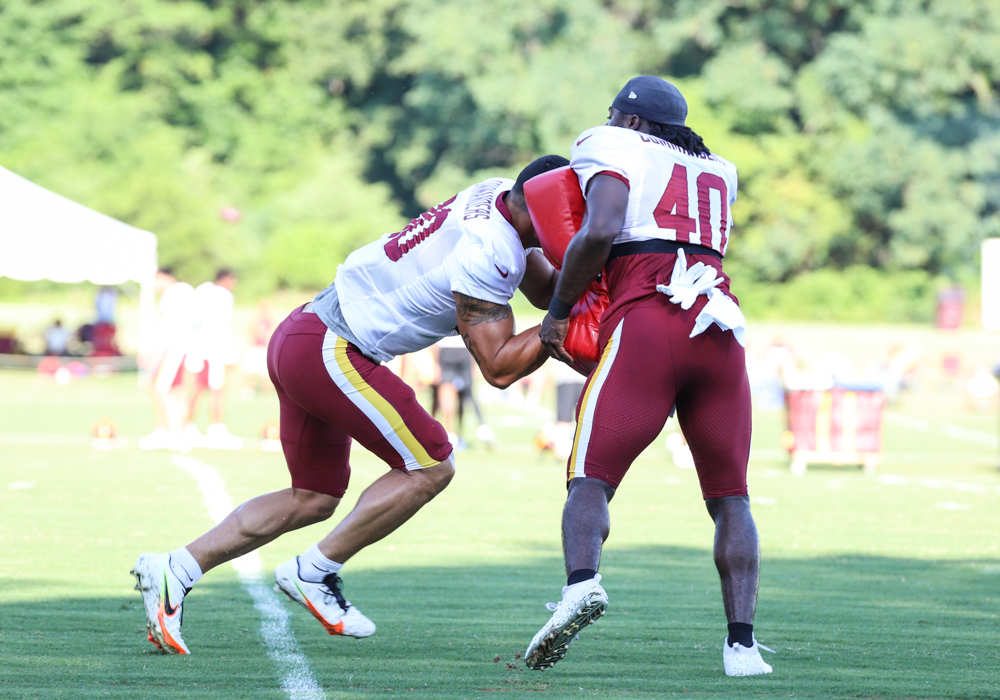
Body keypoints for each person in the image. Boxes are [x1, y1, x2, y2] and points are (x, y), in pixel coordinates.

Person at [131, 154, 568, 655]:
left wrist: (580, 289)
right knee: (430, 465)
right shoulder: (489, 249)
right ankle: (313, 572)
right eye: (568, 215)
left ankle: (175, 569)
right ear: (537, 208)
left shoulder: (495, 192)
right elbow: (500, 367)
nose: (573, 228)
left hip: (306, 330)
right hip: (334, 346)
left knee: (314, 496)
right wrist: (569, 320)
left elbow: (546, 285)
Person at [527, 76, 772, 677]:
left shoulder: (612, 144)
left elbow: (604, 227)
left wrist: (557, 312)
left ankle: (581, 584)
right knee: (731, 497)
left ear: (630, 121)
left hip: (649, 324)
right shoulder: (722, 169)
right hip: (720, 329)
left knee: (589, 478)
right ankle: (741, 646)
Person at [138, 269, 196, 452]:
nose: (155, 286)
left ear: (164, 277)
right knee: (175, 390)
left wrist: (154, 351)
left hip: (172, 351)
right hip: (177, 350)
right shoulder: (183, 292)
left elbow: (170, 327)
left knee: (162, 390)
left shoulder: (175, 292)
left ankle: (172, 433)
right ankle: (173, 432)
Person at [185, 269, 243, 449]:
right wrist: (231, 354)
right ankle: (215, 430)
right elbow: (221, 326)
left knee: (198, 390)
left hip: (200, 348)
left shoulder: (202, 291)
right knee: (218, 390)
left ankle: (188, 427)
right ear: (227, 279)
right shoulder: (224, 296)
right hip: (215, 350)